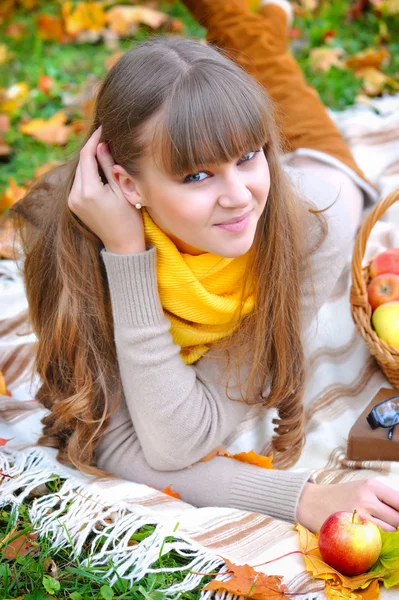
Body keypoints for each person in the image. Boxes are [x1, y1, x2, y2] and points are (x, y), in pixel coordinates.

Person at [10, 0, 399, 533]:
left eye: (249, 155)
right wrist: (126, 256)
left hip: (320, 176)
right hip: (195, 175)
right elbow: (130, 439)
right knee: (231, 90)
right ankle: (257, 22)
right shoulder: (66, 238)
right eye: (196, 176)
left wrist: (224, 162)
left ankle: (249, 23)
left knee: (279, 93)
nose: (238, 197)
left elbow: (174, 440)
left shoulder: (311, 226)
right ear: (126, 185)